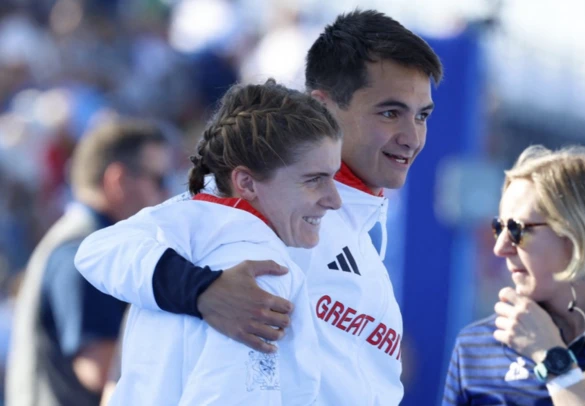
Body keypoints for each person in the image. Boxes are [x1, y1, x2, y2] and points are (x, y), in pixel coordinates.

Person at [75, 9, 443, 405]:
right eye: (390, 113)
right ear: (323, 107)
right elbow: (105, 250)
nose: (412, 137)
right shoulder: (258, 205)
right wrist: (202, 290)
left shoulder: (349, 231)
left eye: (422, 116)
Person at [107, 79, 342, 405]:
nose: (334, 200)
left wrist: (200, 289)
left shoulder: (166, 242)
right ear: (246, 182)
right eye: (314, 180)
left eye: (333, 177)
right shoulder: (260, 275)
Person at [443, 145, 585, 406]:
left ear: (577, 232)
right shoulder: (476, 348)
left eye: (517, 229)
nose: (500, 248)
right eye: (497, 227)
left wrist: (552, 360)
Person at [6, 119, 173, 406]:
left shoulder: (79, 242)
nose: (167, 193)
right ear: (118, 180)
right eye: (158, 179)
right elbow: (100, 369)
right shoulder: (85, 255)